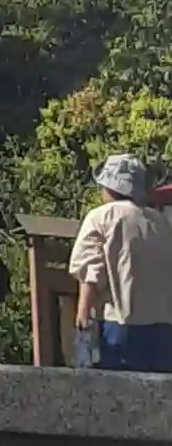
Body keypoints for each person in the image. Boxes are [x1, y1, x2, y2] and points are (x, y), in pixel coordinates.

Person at [70, 154, 172, 374]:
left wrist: (83, 315)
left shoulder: (101, 217)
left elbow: (91, 271)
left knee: (115, 391)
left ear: (109, 187)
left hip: (119, 325)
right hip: (164, 328)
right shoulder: (159, 221)